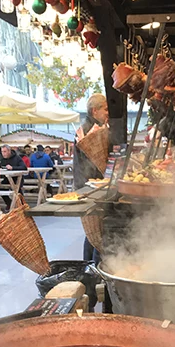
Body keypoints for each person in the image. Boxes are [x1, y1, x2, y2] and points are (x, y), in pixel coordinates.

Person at [73, 93, 109, 261]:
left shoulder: (95, 127)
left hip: (90, 186)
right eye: (105, 109)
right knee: (94, 231)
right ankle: (93, 268)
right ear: (95, 111)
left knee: (92, 232)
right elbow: (90, 164)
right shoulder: (88, 131)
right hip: (88, 187)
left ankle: (88, 266)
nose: (108, 113)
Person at [0, 144, 27, 208]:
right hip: (7, 178)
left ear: (9, 151)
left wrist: (13, 167)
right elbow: (0, 166)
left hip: (17, 178)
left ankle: (22, 205)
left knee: (17, 189)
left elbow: (24, 167)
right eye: (2, 152)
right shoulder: (1, 159)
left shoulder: (17, 157)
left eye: (5, 151)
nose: (3, 154)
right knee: (0, 188)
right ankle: (10, 204)